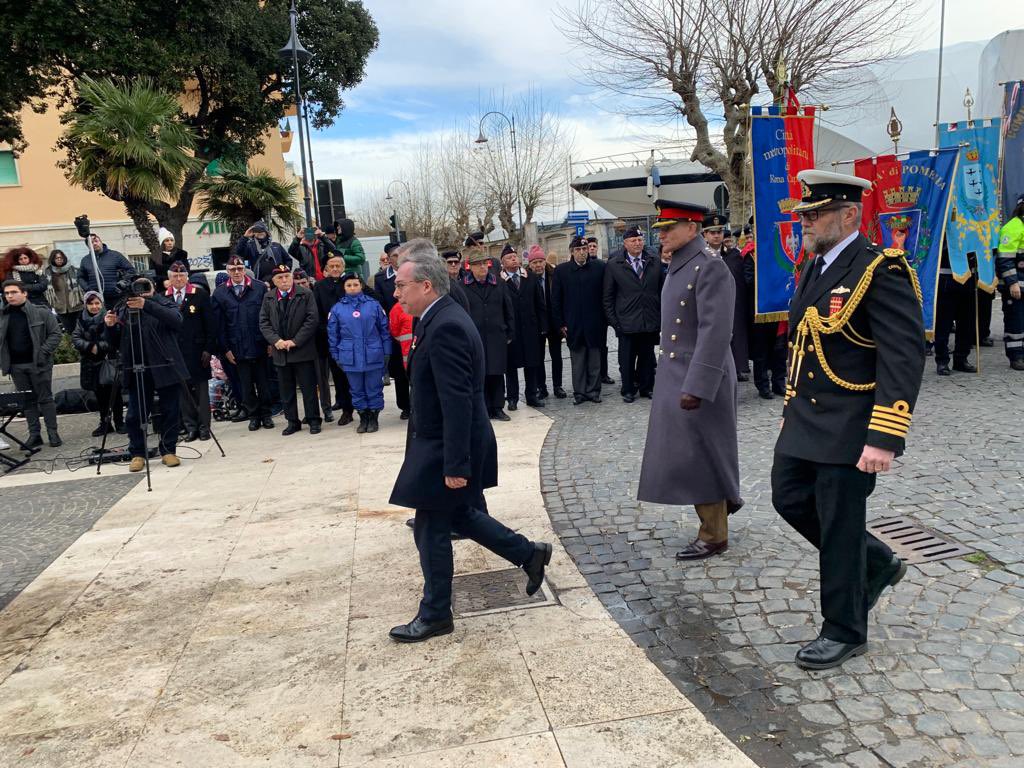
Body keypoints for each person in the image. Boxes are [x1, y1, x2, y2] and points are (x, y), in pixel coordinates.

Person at [772, 170, 925, 670]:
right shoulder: (815, 266)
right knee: (787, 496)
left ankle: (845, 629)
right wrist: (789, 409)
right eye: (805, 214)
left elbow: (902, 357)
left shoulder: (880, 268)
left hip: (852, 424)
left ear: (849, 214)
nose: (806, 222)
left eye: (815, 214)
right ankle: (877, 561)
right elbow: (803, 346)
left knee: (840, 526)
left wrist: (885, 436)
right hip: (806, 419)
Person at [387, 239, 551, 643]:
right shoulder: (435, 317)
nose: (396, 293)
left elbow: (458, 400)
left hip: (446, 446)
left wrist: (456, 464)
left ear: (426, 285)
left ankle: (435, 614)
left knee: (430, 529)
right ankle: (529, 553)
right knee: (458, 516)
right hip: (440, 443)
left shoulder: (445, 326)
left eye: (401, 285)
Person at [637, 200, 740, 563]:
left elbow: (716, 331)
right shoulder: (681, 263)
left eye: (669, 228)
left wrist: (698, 384)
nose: (661, 235)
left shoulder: (709, 266)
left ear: (692, 228)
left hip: (700, 372)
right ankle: (722, 506)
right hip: (677, 370)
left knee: (703, 453)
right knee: (686, 452)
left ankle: (714, 534)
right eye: (661, 229)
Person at [103, 276, 188, 470]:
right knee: (135, 414)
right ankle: (138, 453)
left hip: (165, 365)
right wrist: (110, 326)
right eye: (138, 286)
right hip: (136, 366)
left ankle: (168, 450)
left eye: (145, 285)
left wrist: (146, 305)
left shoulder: (164, 303)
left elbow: (176, 321)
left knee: (170, 410)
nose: (141, 290)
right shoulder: (124, 308)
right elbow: (114, 342)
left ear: (153, 287)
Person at [211, 256, 274, 431]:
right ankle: (253, 416)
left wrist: (270, 342)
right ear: (228, 271)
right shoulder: (220, 293)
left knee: (264, 383)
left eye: (239, 269)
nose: (237, 272)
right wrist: (225, 349)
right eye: (233, 269)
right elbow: (219, 325)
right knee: (245, 385)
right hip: (237, 347)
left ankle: (266, 414)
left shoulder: (259, 288)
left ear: (244, 270)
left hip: (260, 344)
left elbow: (269, 317)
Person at [259, 264, 322, 435]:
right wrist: (276, 340)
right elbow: (264, 322)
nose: (284, 280)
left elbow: (312, 320)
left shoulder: (305, 294)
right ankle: (292, 421)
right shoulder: (269, 297)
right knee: (286, 391)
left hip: (302, 350)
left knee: (308, 388)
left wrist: (295, 341)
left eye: (287, 276)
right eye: (280, 277)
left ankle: (313, 419)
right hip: (281, 353)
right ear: (274, 281)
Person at [603, 225, 662, 402]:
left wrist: (659, 315)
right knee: (626, 359)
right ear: (625, 243)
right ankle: (628, 389)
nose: (637, 243)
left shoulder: (653, 260)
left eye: (640, 239)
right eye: (633, 240)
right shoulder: (615, 264)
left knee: (647, 357)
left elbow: (661, 290)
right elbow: (608, 297)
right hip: (626, 321)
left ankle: (646, 387)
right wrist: (615, 323)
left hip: (649, 319)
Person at [0, 280, 63, 448]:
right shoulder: (3, 315)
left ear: (24, 293)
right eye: (7, 293)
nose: (10, 296)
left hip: (38, 364)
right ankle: (34, 434)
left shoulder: (41, 312)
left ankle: (53, 433)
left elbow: (55, 334)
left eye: (13, 292)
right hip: (16, 366)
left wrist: (42, 353)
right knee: (27, 402)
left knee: (45, 399)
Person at [328, 273, 391, 433]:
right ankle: (363, 418)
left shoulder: (374, 305)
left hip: (373, 354)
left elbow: (384, 330)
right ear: (344, 287)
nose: (352, 288)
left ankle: (373, 418)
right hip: (350, 357)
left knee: (374, 388)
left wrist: (387, 351)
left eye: (355, 284)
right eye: (349, 285)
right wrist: (336, 355)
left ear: (361, 285)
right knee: (356, 390)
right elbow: (333, 335)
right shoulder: (337, 309)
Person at [462, 247, 515, 421]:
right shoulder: (463, 286)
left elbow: (508, 308)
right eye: (478, 264)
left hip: (496, 335)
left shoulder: (498, 283)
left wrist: (509, 332)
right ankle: (483, 408)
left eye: (485, 263)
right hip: (475, 336)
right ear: (470, 267)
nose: (483, 267)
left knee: (497, 372)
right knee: (480, 373)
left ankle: (498, 407)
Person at [552, 236, 607, 405]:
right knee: (578, 360)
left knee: (595, 360)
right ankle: (580, 392)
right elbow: (556, 300)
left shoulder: (599, 267)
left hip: (595, 322)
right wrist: (560, 323)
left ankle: (594, 391)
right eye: (578, 250)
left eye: (584, 249)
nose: (582, 252)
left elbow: (606, 295)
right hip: (573, 323)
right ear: (572, 252)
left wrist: (605, 319)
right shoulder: (561, 271)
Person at [166, 262, 214, 442]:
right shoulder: (164, 297)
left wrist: (209, 348)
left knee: (201, 392)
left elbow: (210, 324)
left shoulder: (199, 295)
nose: (179, 279)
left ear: (187, 277)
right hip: (176, 353)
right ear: (169, 278)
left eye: (182, 275)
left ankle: (204, 427)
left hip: (197, 351)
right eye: (175, 276)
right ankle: (191, 427)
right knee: (183, 392)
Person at [500, 244, 547, 410]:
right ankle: (512, 398)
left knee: (532, 363)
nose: (513, 259)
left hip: (530, 329)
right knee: (511, 366)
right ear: (503, 262)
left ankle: (532, 395)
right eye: (509, 258)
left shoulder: (531, 277)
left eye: (515, 257)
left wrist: (543, 326)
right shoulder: (499, 281)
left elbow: (540, 303)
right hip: (511, 330)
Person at [704, 214, 750, 382]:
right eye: (712, 232)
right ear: (705, 235)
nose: (716, 236)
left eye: (719, 232)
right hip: (710, 306)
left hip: (733, 305)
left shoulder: (734, 255)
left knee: (735, 339)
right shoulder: (701, 257)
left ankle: (736, 370)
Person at [72, 290, 123, 436]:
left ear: (101, 303)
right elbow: (75, 338)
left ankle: (119, 422)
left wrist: (99, 347)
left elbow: (114, 338)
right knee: (100, 397)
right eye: (91, 304)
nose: (94, 307)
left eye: (97, 303)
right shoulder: (80, 319)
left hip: (108, 361)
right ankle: (105, 423)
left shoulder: (109, 316)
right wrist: (89, 346)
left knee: (115, 394)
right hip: (90, 363)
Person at [312, 255, 354, 425]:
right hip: (331, 339)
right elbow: (316, 313)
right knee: (339, 376)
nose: (335, 269)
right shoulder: (320, 286)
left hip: (352, 338)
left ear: (343, 267)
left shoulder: (350, 283)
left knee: (354, 375)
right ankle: (346, 410)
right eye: (332, 266)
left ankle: (363, 408)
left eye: (338, 266)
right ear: (326, 269)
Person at [744, 240, 788, 400]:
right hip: (760, 311)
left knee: (780, 350)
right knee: (761, 351)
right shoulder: (751, 254)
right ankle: (763, 385)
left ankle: (779, 383)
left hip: (779, 309)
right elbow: (748, 281)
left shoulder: (780, 251)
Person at [373, 242, 410, 419]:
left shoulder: (413, 272)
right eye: (395, 255)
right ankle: (405, 406)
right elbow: (381, 305)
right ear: (388, 259)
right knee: (399, 371)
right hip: (393, 329)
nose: (399, 258)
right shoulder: (381, 278)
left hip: (412, 325)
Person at [933, 242, 976, 376]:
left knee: (967, 323)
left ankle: (961, 359)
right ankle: (942, 360)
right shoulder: (944, 229)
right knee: (943, 324)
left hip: (968, 280)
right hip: (946, 278)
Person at [527, 247, 565, 399]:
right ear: (530, 264)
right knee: (538, 358)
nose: (538, 265)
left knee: (556, 356)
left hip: (554, 322)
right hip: (536, 324)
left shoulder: (554, 274)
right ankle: (541, 387)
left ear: (545, 262)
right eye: (535, 262)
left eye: (540, 261)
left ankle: (558, 386)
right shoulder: (527, 277)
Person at [996, 194, 1024, 370]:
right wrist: (1012, 282)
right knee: (1016, 322)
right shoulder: (1013, 227)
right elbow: (1005, 259)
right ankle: (1016, 356)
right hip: (1016, 286)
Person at [77, 234, 135, 309]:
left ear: (101, 242)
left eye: (96, 241)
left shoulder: (115, 255)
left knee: (118, 316)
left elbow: (131, 270)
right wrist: (88, 289)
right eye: (91, 243)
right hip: (97, 300)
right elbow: (80, 277)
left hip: (117, 298)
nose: (94, 244)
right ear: (88, 246)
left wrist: (123, 283)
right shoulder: (85, 260)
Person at [44, 249, 85, 332]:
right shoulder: (48, 273)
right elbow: (46, 291)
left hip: (77, 306)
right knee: (69, 331)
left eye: (61, 258)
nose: (59, 259)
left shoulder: (74, 270)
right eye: (57, 258)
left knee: (80, 329)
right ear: (52, 260)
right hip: (60, 308)